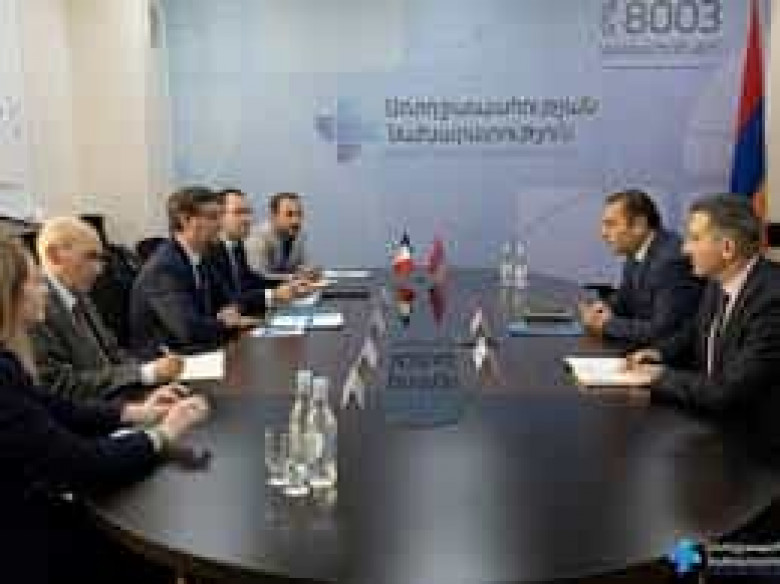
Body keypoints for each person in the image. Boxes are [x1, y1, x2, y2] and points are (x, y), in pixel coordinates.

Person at [0, 236, 209, 584]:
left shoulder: (7, 362)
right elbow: (81, 462)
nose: (45, 290)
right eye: (36, 282)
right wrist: (162, 434)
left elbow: (58, 408)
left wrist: (137, 413)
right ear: (8, 294)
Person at [624, 194, 780, 444]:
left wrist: (659, 376)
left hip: (757, 444)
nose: (685, 249)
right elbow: (695, 332)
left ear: (727, 248)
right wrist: (660, 354)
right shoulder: (718, 282)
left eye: (695, 238)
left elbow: (728, 391)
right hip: (715, 422)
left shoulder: (772, 299)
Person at [31, 217, 183, 400]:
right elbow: (59, 384)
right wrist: (145, 374)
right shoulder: (33, 308)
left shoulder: (80, 295)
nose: (99, 270)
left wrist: (150, 375)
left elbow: (113, 352)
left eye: (100, 259)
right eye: (90, 257)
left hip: (114, 401)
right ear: (54, 255)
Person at [129, 186, 258, 357]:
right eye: (213, 217)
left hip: (200, 349)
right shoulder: (164, 267)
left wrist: (231, 310)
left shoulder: (200, 257)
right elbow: (188, 330)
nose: (220, 225)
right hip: (168, 360)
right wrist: (228, 323)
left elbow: (230, 299)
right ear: (185, 220)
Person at [579, 189, 702, 347]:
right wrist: (601, 308)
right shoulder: (636, 249)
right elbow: (625, 300)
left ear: (639, 225)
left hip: (669, 357)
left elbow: (663, 331)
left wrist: (606, 324)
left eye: (611, 224)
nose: (603, 233)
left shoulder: (671, 262)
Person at [207, 189, 311, 315]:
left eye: (248, 212)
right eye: (239, 213)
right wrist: (273, 295)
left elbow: (251, 279)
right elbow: (229, 298)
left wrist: (292, 283)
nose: (248, 219)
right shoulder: (209, 251)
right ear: (219, 216)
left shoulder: (236, 245)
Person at [247, 192, 314, 276]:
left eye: (299, 214)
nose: (296, 220)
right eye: (289, 214)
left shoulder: (299, 236)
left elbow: (302, 267)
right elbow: (259, 277)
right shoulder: (258, 238)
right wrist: (294, 278)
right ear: (273, 216)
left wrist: (309, 273)